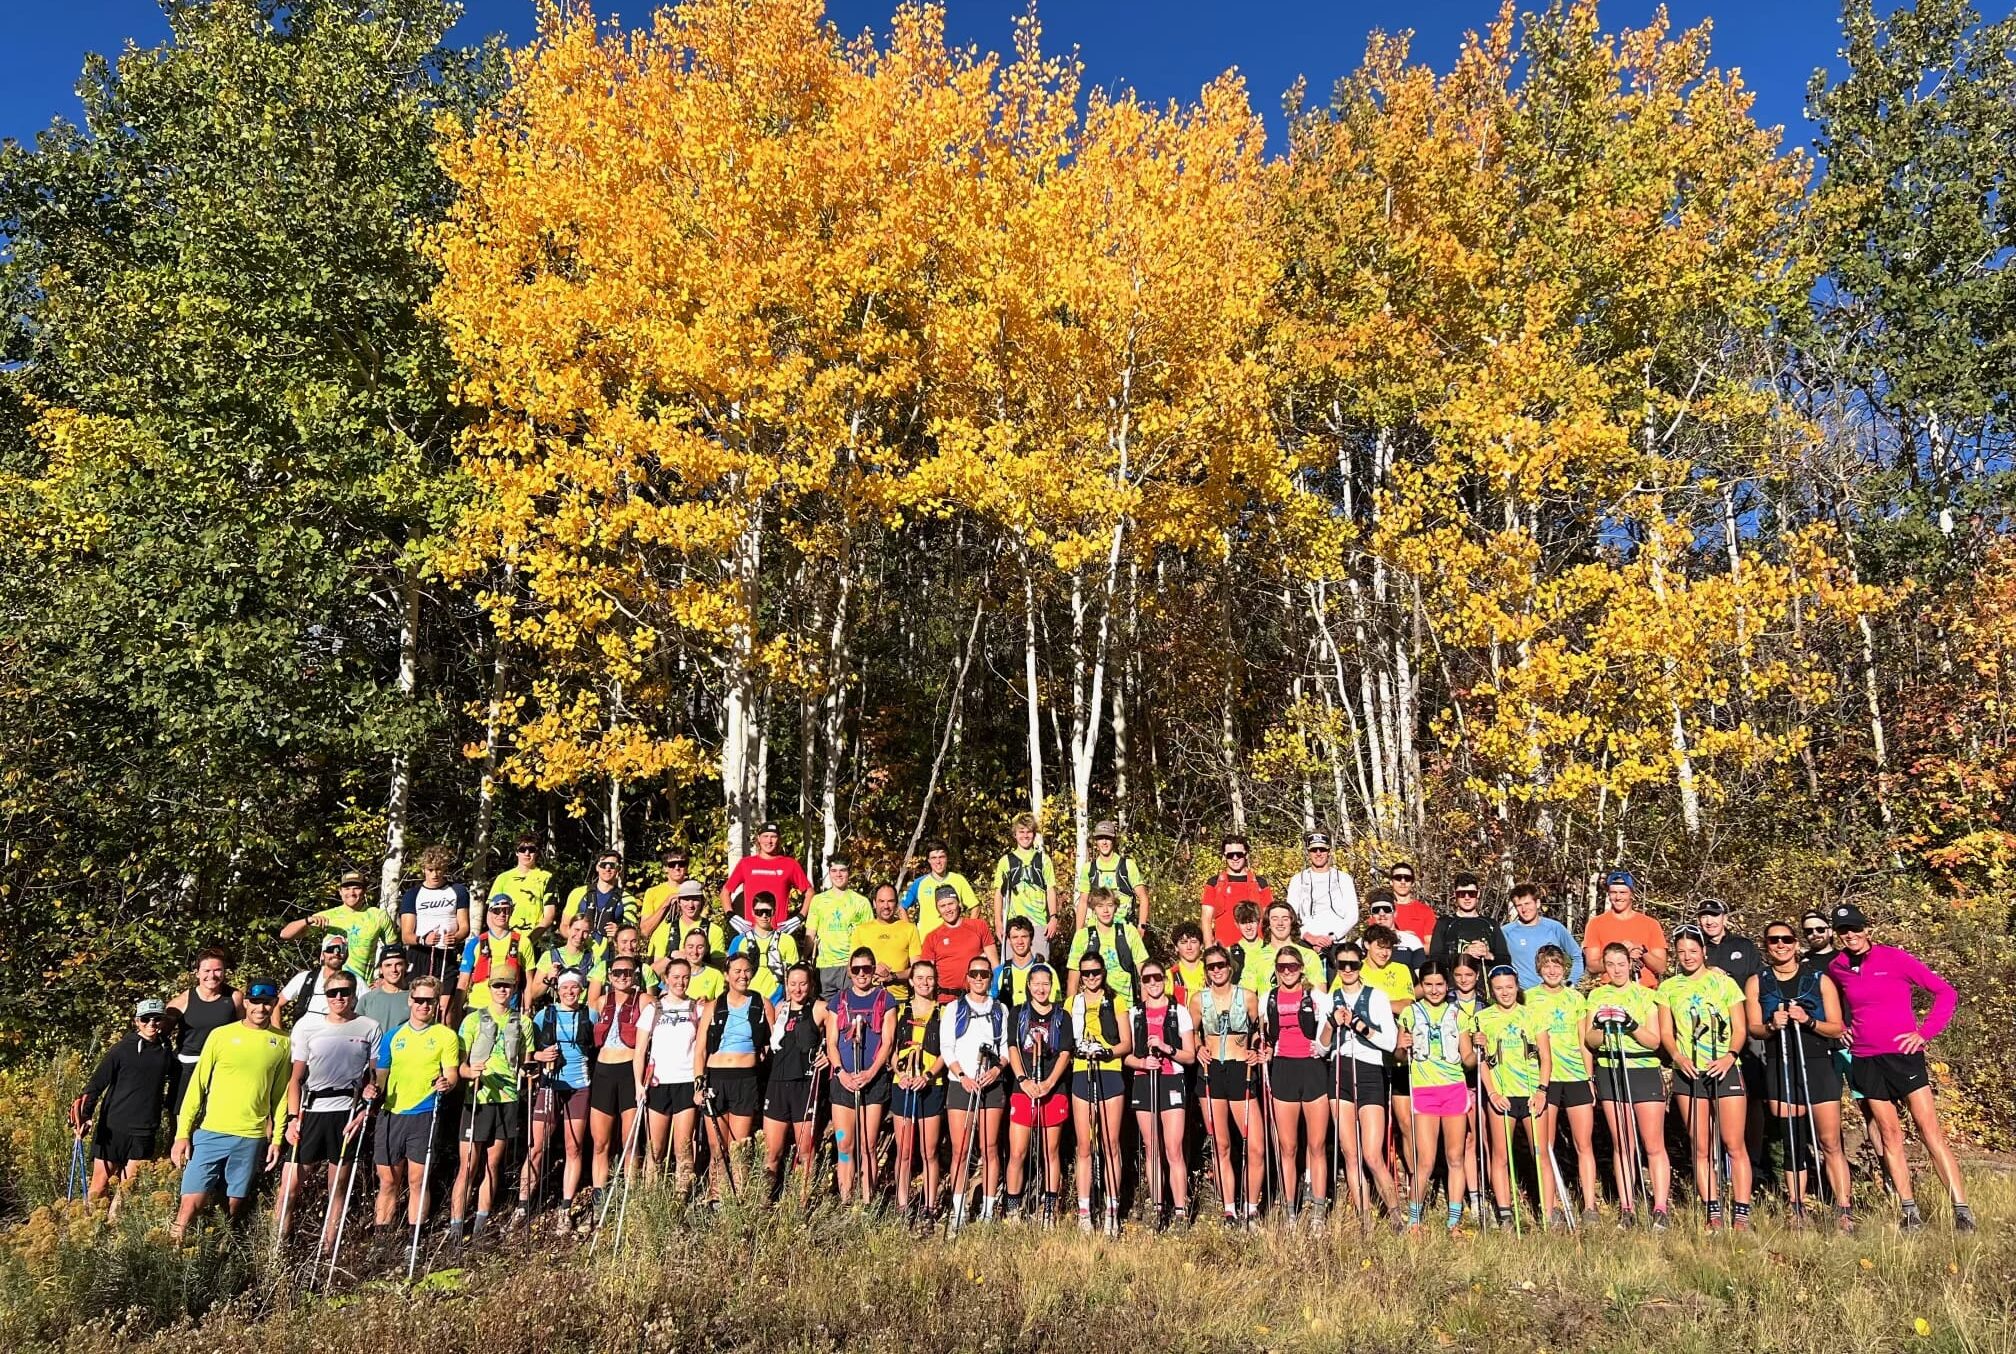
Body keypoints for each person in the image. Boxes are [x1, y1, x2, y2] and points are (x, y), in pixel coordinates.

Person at [1825, 903, 1973, 1231]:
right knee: (1890, 1134)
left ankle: (1961, 1209)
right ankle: (1910, 1212)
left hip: (1903, 1055)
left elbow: (1945, 993)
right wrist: (1841, 1029)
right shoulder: (1837, 967)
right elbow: (1827, 1001)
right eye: (1843, 931)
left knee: (1928, 1129)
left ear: (1867, 929)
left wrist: (1923, 1034)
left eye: (1855, 928)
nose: (1850, 935)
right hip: (1864, 1058)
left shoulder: (1894, 958)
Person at [1746, 920, 1853, 1229]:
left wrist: (1808, 1021)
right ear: (1765, 946)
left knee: (1830, 1141)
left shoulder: (1819, 979)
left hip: (1818, 1062)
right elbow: (1752, 1026)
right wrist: (1769, 1026)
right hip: (1781, 1064)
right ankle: (1797, 1208)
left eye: (1786, 939)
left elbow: (1837, 1027)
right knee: (1793, 1141)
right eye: (1773, 940)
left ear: (1795, 943)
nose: (1780, 945)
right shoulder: (1758, 981)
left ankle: (1843, 1209)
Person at [170, 978, 290, 1241]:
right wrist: (182, 1134)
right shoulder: (221, 1035)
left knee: (231, 1212)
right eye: (255, 1002)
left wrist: (277, 1139)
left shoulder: (282, 1042)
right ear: (246, 1002)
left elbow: (280, 1096)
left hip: (251, 1137)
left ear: (274, 1005)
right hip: (212, 1132)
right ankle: (170, 1262)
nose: (261, 1008)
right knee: (188, 1207)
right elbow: (197, 1086)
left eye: (267, 1003)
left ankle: (215, 1261)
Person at [273, 974, 380, 1250]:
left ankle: (328, 1250)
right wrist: (293, 1119)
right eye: (332, 993)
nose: (339, 998)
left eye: (344, 992)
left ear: (354, 994)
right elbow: (295, 1079)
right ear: (325, 995)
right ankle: (276, 1249)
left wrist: (365, 1110)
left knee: (338, 1188)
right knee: (288, 1188)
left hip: (346, 1113)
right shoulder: (307, 1028)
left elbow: (376, 1076)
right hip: (311, 1111)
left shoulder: (369, 1027)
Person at [1663, 927, 1753, 1231]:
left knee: (1733, 1143)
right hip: (1689, 1073)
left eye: (1693, 950)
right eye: (1681, 951)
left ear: (1704, 951)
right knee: (1700, 1145)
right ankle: (1712, 1210)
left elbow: (1740, 1028)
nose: (1687, 956)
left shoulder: (1724, 983)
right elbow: (1666, 1033)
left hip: (1724, 1069)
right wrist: (1679, 1057)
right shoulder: (1669, 988)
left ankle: (1741, 1211)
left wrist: (1729, 1056)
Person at [1584, 941, 1672, 1227]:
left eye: (1621, 964)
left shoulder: (1647, 995)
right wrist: (1599, 1023)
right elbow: (1591, 1041)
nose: (1617, 970)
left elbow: (1654, 1041)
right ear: (1605, 968)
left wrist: (1631, 1024)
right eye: (1610, 965)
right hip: (1611, 1068)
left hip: (1643, 1069)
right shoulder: (1597, 995)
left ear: (1631, 965)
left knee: (1653, 1142)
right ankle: (1627, 1207)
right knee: (1622, 1143)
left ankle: (1660, 1207)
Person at [1466, 964, 1556, 1228]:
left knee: (1540, 1153)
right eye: (1498, 989)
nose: (1505, 993)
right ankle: (1505, 1212)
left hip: (1531, 1094)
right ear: (1491, 991)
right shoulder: (1483, 1018)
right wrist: (1492, 1092)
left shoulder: (1533, 1015)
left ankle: (1549, 1213)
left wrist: (1542, 1090)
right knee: (1501, 1155)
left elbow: (1546, 1057)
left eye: (1509, 987)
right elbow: (1480, 1061)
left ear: (1517, 986)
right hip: (1502, 1095)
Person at [371, 975, 461, 1238]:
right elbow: (381, 1076)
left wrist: (448, 1083)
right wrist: (373, 1089)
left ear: (436, 1004)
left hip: (424, 1113)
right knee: (388, 1181)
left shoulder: (446, 1036)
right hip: (392, 1114)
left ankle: (415, 1239)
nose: (424, 1005)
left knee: (417, 1181)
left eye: (429, 1001)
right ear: (410, 1000)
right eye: (419, 1000)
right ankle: (382, 1240)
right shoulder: (392, 1036)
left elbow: (452, 1074)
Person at [70, 999, 176, 1219]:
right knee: (100, 1184)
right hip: (113, 1126)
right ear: (137, 1021)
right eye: (146, 1019)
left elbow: (177, 1080)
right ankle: (86, 1227)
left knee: (128, 1188)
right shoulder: (122, 1049)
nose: (151, 1023)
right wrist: (85, 1115)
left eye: (157, 1019)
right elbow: (96, 1083)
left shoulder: (166, 1049)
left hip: (145, 1128)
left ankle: (113, 1233)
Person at [450, 968, 534, 1240]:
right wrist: (468, 1072)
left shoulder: (523, 1023)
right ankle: (455, 1227)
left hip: (507, 1099)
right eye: (497, 985)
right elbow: (459, 1066)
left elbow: (525, 1061)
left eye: (507, 986)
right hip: (479, 1098)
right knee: (468, 1166)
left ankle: (480, 1226)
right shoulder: (472, 1021)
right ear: (489, 986)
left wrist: (528, 1071)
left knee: (492, 1164)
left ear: (514, 989)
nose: (502, 990)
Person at [1322, 941, 1398, 1224]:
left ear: (1360, 964)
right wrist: (1332, 1023)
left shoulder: (1376, 997)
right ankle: (1364, 1217)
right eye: (1342, 965)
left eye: (1353, 964)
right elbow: (1320, 1047)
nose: (1348, 969)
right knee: (1350, 1153)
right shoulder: (1331, 998)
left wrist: (1359, 1025)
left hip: (1368, 1072)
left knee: (1372, 1154)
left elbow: (1390, 1042)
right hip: (1340, 1071)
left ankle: (1395, 1215)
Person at [1191, 944, 1264, 1227]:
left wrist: (1256, 1049)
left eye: (1221, 964)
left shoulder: (1247, 997)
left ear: (1230, 966)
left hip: (1239, 1068)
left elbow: (1258, 1031)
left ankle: (1253, 1207)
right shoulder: (1199, 1000)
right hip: (1211, 1072)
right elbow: (1192, 1033)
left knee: (1255, 1145)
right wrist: (1197, 1048)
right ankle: (1229, 1209)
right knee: (1221, 1144)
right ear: (1206, 970)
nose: (1217, 970)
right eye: (1211, 966)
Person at [1398, 961, 1473, 1232]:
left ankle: (1454, 1220)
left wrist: (1480, 1051)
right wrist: (1400, 1047)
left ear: (1447, 985)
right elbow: (1398, 1055)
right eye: (1428, 984)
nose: (1434, 990)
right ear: (1421, 985)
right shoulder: (1410, 1012)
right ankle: (1414, 1220)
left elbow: (1467, 1058)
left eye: (1439, 984)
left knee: (1455, 1157)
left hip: (1453, 1088)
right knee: (1426, 1160)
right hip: (1424, 1090)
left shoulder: (1458, 1013)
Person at [1527, 944, 1598, 1225]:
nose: (1552, 970)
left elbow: (1584, 1043)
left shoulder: (1576, 999)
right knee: (1545, 1145)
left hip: (1576, 1076)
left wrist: (1590, 1077)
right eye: (1547, 966)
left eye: (1557, 965)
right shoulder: (1528, 999)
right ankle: (1551, 1206)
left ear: (1565, 968)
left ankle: (1590, 1206)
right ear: (1539, 969)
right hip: (1547, 1079)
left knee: (1584, 1144)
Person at [1260, 947, 1332, 1226]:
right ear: (1276, 970)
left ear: (1301, 968)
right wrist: (1265, 1050)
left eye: (1292, 966)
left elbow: (1330, 1027)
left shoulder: (1316, 997)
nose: (1287, 971)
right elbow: (1265, 1034)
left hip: (1312, 1070)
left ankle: (1317, 1210)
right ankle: (1290, 1209)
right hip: (1284, 1069)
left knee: (1316, 1145)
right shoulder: (1269, 997)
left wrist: (1322, 1048)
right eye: (1281, 967)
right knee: (1288, 1147)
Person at [940, 956, 1009, 1230]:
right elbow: (947, 1047)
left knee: (990, 1148)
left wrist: (997, 1070)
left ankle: (989, 1209)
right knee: (960, 1149)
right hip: (962, 1084)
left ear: (990, 979)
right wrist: (962, 1076)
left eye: (984, 974)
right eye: (975, 974)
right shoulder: (954, 1008)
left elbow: (1004, 1047)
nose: (979, 979)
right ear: (967, 978)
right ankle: (958, 1210)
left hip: (991, 1085)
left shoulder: (1000, 1009)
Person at [1126, 959, 1195, 1227]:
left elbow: (1189, 1056)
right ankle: (1157, 1207)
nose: (1153, 983)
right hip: (1144, 1079)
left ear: (1164, 980)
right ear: (1142, 983)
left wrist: (1167, 1049)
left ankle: (1180, 1210)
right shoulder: (1135, 1013)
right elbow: (1126, 1056)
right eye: (1147, 979)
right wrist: (1143, 1062)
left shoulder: (1180, 1012)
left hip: (1171, 1079)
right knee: (1151, 1146)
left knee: (1173, 1148)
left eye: (1157, 978)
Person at [827, 948, 898, 1207]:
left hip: (873, 1078)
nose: (861, 974)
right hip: (844, 1079)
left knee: (868, 1144)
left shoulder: (885, 999)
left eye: (866, 969)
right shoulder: (839, 1001)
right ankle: (846, 1198)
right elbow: (832, 1042)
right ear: (849, 971)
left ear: (873, 970)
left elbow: (888, 1042)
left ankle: (867, 1200)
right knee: (845, 1143)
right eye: (855, 969)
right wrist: (840, 1073)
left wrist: (870, 1073)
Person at [1069, 953, 1132, 1233]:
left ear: (1103, 973)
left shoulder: (1115, 1000)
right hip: (1082, 1071)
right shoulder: (1072, 1003)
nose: (1091, 977)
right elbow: (1065, 1042)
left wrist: (1107, 1051)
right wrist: (1078, 1049)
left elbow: (1126, 1042)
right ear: (1080, 975)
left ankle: (1112, 1209)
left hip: (1109, 1070)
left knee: (1111, 1143)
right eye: (1085, 973)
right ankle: (1084, 1212)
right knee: (1084, 1144)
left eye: (1095, 972)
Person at [526, 969, 595, 1221]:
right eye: (565, 987)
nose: (569, 992)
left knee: (573, 1147)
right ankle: (524, 1204)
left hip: (579, 1086)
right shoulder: (546, 1014)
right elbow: (526, 1048)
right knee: (536, 1147)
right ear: (558, 989)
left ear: (581, 989)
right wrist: (539, 1056)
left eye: (574, 988)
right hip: (549, 1084)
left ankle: (565, 1207)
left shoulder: (591, 1014)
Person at [584, 955, 649, 1221]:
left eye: (628, 973)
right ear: (610, 976)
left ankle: (630, 1199)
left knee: (630, 1141)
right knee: (600, 1142)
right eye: (617, 973)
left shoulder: (643, 1000)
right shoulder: (601, 1002)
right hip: (603, 1072)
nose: (623, 977)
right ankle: (600, 1199)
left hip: (627, 1070)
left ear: (635, 975)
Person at [700, 953, 767, 1204]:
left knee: (739, 1147)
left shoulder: (761, 1003)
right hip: (716, 1077)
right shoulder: (714, 1005)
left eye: (747, 970)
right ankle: (715, 1197)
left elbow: (776, 1039)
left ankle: (739, 1198)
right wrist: (699, 1080)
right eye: (736, 971)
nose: (742, 975)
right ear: (726, 975)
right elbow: (700, 1048)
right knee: (717, 1146)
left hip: (745, 1078)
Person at [1006, 963, 1071, 1221]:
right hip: (1023, 1089)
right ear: (1029, 986)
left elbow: (1065, 1052)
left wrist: (1049, 1084)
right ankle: (1013, 1208)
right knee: (1017, 1151)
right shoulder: (1018, 1013)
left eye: (1046, 983)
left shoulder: (1061, 1016)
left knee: (1050, 1151)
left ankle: (1050, 1209)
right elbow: (1012, 1047)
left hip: (1052, 1090)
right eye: (1037, 983)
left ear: (1051, 986)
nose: (1041, 988)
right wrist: (1023, 1080)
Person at [762, 964, 828, 1199]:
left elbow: (836, 1034)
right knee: (772, 1152)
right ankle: (765, 1201)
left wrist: (828, 1054)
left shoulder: (819, 1008)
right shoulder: (779, 1008)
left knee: (805, 1152)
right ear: (786, 985)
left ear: (810, 985)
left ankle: (801, 1203)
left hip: (804, 1085)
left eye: (803, 983)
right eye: (793, 984)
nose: (798, 989)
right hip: (777, 1084)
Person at [641, 957, 706, 1194]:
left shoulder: (697, 1009)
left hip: (686, 1082)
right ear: (666, 979)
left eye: (686, 977)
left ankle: (682, 1197)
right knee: (654, 1149)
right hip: (658, 1082)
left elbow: (703, 1048)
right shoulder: (654, 1008)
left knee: (684, 1147)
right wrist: (639, 1084)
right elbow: (640, 1051)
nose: (681, 982)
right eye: (676, 977)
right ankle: (650, 1199)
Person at [890, 961, 948, 1222]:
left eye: (930, 978)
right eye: (920, 978)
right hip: (902, 1084)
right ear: (911, 982)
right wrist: (900, 1075)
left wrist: (928, 1075)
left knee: (929, 1150)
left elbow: (946, 1052)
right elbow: (890, 1050)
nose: (925, 983)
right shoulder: (900, 1010)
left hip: (930, 1085)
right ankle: (902, 1205)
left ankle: (930, 1206)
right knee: (903, 1150)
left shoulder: (943, 1012)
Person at [1360, 924, 1418, 1174]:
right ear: (1367, 946)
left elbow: (1408, 1003)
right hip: (1369, 1056)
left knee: (1405, 1121)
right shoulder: (1356, 970)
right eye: (1379, 947)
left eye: (1388, 948)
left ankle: (1414, 1177)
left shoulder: (1401, 969)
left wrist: (1379, 1005)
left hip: (1401, 1054)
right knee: (1375, 1124)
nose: (1385, 953)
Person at [167, 948, 244, 1114]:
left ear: (224, 972)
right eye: (207, 971)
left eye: (218, 970)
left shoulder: (234, 997)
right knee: (181, 1115)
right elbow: (158, 1032)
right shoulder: (183, 1000)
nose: (212, 975)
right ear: (197, 973)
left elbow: (245, 1030)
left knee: (215, 1115)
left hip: (221, 1066)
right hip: (188, 1065)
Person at [280, 870, 395, 981]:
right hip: (332, 988)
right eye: (347, 888)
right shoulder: (327, 916)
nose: (351, 893)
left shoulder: (378, 915)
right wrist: (307, 920)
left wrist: (383, 979)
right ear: (340, 891)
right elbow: (285, 935)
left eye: (357, 888)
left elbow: (393, 951)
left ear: (364, 891)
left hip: (364, 987)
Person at [398, 846, 472, 984]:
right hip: (420, 954)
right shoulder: (412, 894)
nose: (435, 874)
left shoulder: (458, 891)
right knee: (419, 1000)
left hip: (446, 954)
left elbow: (465, 927)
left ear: (444, 869)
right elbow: (406, 936)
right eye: (430, 870)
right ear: (424, 869)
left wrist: (456, 937)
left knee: (444, 1003)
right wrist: (423, 939)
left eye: (439, 869)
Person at [1581, 870, 1666, 988]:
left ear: (1632, 894)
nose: (1618, 897)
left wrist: (1642, 952)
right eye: (1613, 892)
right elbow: (1592, 966)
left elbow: (1661, 967)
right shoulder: (1595, 924)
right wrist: (1620, 953)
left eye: (1623, 892)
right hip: (1611, 992)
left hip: (1646, 993)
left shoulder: (1651, 924)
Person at [1067, 887, 1151, 1006]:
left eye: (1110, 905)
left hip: (1126, 1005)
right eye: (1100, 906)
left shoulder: (1129, 932)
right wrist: (1070, 1013)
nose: (1105, 910)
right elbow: (1073, 980)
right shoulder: (1082, 936)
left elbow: (1144, 974)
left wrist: (1144, 1010)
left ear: (1116, 907)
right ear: (1094, 909)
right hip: (1092, 1008)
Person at [722, 821, 813, 930]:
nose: (769, 841)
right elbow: (725, 893)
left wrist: (800, 917)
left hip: (779, 931)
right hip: (751, 932)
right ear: (758, 839)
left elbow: (810, 892)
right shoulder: (746, 863)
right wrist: (731, 916)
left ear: (779, 839)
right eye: (765, 836)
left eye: (773, 837)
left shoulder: (790, 864)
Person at [991, 815, 1059, 959]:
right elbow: (999, 894)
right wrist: (998, 922)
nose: (1025, 835)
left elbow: (1050, 890)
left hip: (1039, 923)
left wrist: (1053, 917)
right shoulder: (1006, 861)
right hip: (1014, 925)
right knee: (1013, 969)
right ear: (1015, 834)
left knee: (1040, 968)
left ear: (1034, 834)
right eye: (1021, 831)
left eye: (1029, 832)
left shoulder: (1043, 860)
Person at [459, 894, 537, 1015]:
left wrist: (527, 1009)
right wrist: (456, 1010)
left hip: (509, 1007)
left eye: (506, 910)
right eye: (497, 910)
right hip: (478, 1006)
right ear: (490, 912)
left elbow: (528, 981)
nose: (502, 914)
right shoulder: (475, 943)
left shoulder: (523, 942)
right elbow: (463, 981)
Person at [807, 858, 874, 998]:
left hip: (852, 965)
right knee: (828, 1011)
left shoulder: (861, 902)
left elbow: (869, 939)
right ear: (829, 873)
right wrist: (804, 960)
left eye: (842, 870)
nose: (838, 875)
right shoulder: (818, 901)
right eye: (834, 871)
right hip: (825, 966)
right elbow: (811, 934)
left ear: (849, 872)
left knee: (852, 1008)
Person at [921, 885, 998, 1002]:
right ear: (938, 909)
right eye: (942, 906)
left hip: (978, 998)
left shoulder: (979, 926)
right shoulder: (932, 937)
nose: (947, 909)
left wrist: (995, 990)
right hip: (946, 1000)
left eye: (951, 904)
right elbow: (926, 974)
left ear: (959, 904)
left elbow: (995, 965)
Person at [1286, 830, 1357, 954]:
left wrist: (1332, 937)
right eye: (1314, 850)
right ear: (1308, 853)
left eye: (1322, 849)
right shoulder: (1297, 880)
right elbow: (1290, 915)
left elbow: (1352, 915)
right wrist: (1309, 937)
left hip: (1336, 943)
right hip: (1305, 943)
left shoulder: (1344, 879)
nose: (1318, 853)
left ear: (1329, 852)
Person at [1502, 883, 1581, 989]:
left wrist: (1571, 983)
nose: (1524, 909)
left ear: (1537, 903)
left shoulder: (1554, 928)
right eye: (1519, 905)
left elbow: (1577, 956)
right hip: (1524, 997)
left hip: (1553, 995)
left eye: (1527, 903)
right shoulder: (1506, 932)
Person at [850, 881, 920, 1001]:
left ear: (896, 904)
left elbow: (918, 970)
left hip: (899, 999)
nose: (886, 906)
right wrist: (870, 969)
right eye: (881, 901)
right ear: (874, 903)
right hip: (867, 999)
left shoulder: (909, 929)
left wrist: (892, 976)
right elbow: (850, 970)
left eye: (890, 901)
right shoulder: (861, 930)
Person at [728, 891, 803, 1002]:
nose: (764, 916)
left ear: (774, 912)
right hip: (746, 999)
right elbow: (730, 976)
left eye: (767, 912)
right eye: (759, 912)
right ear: (752, 912)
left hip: (778, 1001)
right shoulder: (739, 941)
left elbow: (795, 975)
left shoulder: (787, 940)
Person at [1201, 834, 1273, 950]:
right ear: (1224, 856)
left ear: (1246, 855)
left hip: (1257, 949)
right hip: (1225, 951)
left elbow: (1269, 918)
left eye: (1239, 854)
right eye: (1230, 855)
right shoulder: (1214, 883)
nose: (1235, 858)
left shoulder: (1260, 883)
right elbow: (1206, 918)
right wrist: (1209, 948)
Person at [1075, 820, 1149, 930]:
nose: (1104, 842)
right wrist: (1078, 934)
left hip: (1124, 931)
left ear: (1113, 840)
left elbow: (1143, 897)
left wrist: (1141, 927)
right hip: (1096, 932)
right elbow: (1083, 902)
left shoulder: (1128, 866)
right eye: (1100, 838)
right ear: (1096, 841)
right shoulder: (1089, 869)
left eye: (1108, 838)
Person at [1427, 872, 1509, 971]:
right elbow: (1435, 959)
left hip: (1486, 983)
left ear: (1478, 894)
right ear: (1455, 895)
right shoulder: (1444, 923)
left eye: (1471, 893)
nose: (1467, 897)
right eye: (1461, 894)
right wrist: (1463, 955)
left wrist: (1489, 955)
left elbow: (1505, 960)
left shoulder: (1491, 924)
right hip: (1454, 983)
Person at [645, 880, 722, 982]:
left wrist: (694, 960)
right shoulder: (665, 930)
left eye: (695, 899)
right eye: (686, 899)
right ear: (679, 902)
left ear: (702, 902)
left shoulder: (714, 930)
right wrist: (671, 958)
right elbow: (654, 972)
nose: (690, 905)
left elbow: (720, 969)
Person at [905, 840, 982, 937]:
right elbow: (901, 908)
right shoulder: (919, 883)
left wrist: (968, 932)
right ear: (928, 860)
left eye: (941, 857)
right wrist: (911, 934)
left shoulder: (959, 880)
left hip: (954, 940)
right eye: (933, 858)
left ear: (947, 858)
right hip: (926, 943)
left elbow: (975, 907)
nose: (938, 862)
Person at [1245, 900, 1323, 992]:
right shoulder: (1255, 956)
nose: (1280, 923)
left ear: (1291, 922)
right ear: (1268, 924)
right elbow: (1247, 994)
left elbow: (1320, 995)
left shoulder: (1309, 955)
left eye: (1285, 919)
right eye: (1274, 919)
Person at [565, 851, 639, 943]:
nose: (607, 869)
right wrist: (577, 938)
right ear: (597, 867)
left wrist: (619, 932)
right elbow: (564, 926)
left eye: (612, 865)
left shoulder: (627, 899)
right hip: (580, 952)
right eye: (603, 865)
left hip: (611, 954)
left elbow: (633, 934)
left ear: (619, 869)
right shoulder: (578, 893)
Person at [491, 836, 557, 935]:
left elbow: (549, 916)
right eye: (522, 849)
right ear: (517, 852)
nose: (527, 853)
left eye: (531, 849)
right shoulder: (503, 878)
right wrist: (499, 938)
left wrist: (529, 941)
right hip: (506, 937)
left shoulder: (547, 877)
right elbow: (491, 912)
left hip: (535, 939)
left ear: (537, 852)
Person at [280, 934, 351, 1026]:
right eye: (331, 949)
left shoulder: (355, 982)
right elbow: (277, 1004)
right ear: (322, 955)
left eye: (341, 949)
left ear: (346, 955)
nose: (336, 953)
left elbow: (370, 1005)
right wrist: (280, 1036)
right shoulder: (304, 978)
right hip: (305, 1037)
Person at [535, 913, 605, 1003]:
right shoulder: (550, 956)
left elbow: (597, 998)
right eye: (577, 930)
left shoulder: (594, 959)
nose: (579, 935)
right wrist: (548, 979)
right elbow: (534, 994)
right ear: (568, 929)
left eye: (585, 932)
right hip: (557, 1010)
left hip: (582, 1011)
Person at [588, 924, 662, 1006]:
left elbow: (650, 1005)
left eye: (633, 941)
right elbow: (593, 1004)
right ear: (616, 943)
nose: (629, 946)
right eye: (624, 942)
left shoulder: (645, 969)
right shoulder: (603, 967)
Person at [637, 848, 695, 948]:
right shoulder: (652, 892)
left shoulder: (695, 891)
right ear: (665, 868)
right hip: (658, 952)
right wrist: (666, 904)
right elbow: (644, 931)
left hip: (688, 951)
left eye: (681, 864)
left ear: (686, 867)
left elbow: (702, 926)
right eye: (672, 864)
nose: (677, 868)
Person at [1695, 899, 1761, 987]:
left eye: (1714, 915)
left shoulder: (1744, 945)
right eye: (1704, 917)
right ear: (1699, 921)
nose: (1709, 922)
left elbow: (1759, 979)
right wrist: (1705, 971)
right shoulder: (1695, 948)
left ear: (1725, 919)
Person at [992, 916, 1046, 1013]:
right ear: (1008, 940)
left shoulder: (1046, 971)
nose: (1020, 942)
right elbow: (990, 1005)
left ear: (1031, 939)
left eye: (1024, 937)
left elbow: (1055, 1007)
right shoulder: (999, 972)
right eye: (1015, 937)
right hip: (1008, 1026)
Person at [357, 946, 412, 1033]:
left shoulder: (415, 998)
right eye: (388, 965)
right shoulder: (367, 999)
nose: (394, 970)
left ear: (406, 967)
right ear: (380, 969)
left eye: (398, 964)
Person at [1362, 890, 1425, 965]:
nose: (1382, 914)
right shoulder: (1362, 943)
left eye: (1387, 909)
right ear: (1371, 915)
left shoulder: (1411, 941)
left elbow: (1421, 973)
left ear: (1395, 913)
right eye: (1376, 910)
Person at [1387, 863, 1438, 946]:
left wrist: (1411, 948)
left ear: (1413, 883)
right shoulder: (1381, 910)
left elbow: (1431, 945)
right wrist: (1401, 936)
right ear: (1391, 882)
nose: (1403, 882)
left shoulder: (1425, 911)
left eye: (1407, 878)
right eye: (1398, 878)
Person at [1168, 921, 1208, 1003]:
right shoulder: (1170, 975)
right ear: (1176, 947)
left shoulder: (1211, 971)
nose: (1189, 947)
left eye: (1193, 942)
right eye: (1183, 942)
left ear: (1201, 946)